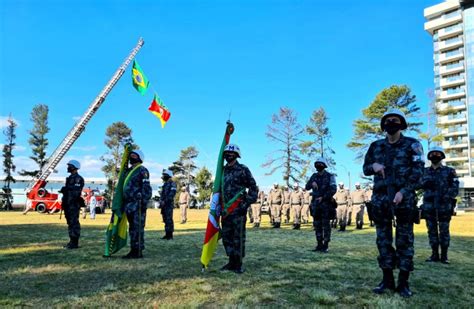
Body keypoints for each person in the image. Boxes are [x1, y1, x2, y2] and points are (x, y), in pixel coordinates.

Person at [363, 109, 424, 298]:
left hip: (404, 199)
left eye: (395, 120)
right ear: (383, 125)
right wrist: (373, 166)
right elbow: (365, 168)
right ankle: (387, 280)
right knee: (383, 240)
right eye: (387, 120)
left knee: (404, 241)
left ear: (402, 124)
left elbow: (419, 173)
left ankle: (403, 283)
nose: (391, 123)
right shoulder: (376, 146)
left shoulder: (413, 145)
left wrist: (404, 192)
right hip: (381, 198)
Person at [220, 144, 258, 273]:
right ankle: (231, 261)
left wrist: (246, 203)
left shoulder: (242, 169)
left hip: (238, 210)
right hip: (225, 211)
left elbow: (253, 188)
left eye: (232, 153)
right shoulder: (222, 171)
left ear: (237, 155)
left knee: (238, 237)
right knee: (226, 237)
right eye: (227, 153)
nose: (229, 155)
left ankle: (238, 264)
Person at [421, 147, 459, 264]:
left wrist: (446, 197)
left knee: (444, 231)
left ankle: (444, 256)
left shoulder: (449, 171)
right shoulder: (424, 171)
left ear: (442, 156)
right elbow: (417, 185)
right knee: (431, 231)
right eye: (432, 154)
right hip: (429, 206)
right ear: (429, 157)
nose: (435, 156)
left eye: (437, 154)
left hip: (444, 206)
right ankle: (434, 255)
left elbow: (455, 187)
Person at [123, 149, 152, 258]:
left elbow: (147, 189)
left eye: (134, 156)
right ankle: (133, 248)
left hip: (138, 204)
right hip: (129, 204)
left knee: (137, 228)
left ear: (139, 158)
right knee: (132, 228)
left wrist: (143, 202)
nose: (131, 157)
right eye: (131, 155)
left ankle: (138, 250)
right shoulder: (129, 171)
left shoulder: (142, 170)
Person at [306, 157, 337, 253]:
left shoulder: (330, 176)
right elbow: (307, 187)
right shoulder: (314, 176)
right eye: (317, 164)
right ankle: (319, 244)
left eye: (320, 164)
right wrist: (312, 182)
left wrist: (323, 197)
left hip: (326, 205)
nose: (318, 166)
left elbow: (333, 189)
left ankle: (325, 245)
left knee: (326, 226)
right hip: (316, 205)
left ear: (324, 166)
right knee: (317, 225)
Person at [60, 160, 84, 249]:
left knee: (74, 223)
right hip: (67, 204)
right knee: (70, 223)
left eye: (69, 166)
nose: (68, 167)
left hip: (73, 204)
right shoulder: (70, 178)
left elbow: (76, 192)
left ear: (74, 167)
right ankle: (71, 241)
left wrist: (67, 189)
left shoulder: (78, 178)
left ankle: (74, 242)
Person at [160, 169, 177, 240]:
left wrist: (165, 201)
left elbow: (172, 194)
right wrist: (161, 201)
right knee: (165, 219)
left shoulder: (172, 183)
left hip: (168, 204)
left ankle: (170, 235)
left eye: (165, 175)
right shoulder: (165, 184)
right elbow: (162, 194)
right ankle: (167, 234)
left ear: (169, 176)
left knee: (169, 219)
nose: (163, 176)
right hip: (163, 204)